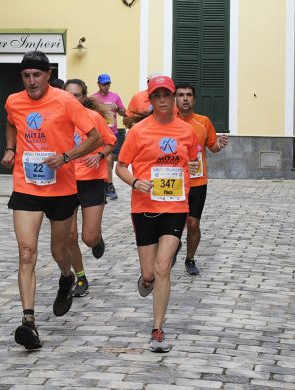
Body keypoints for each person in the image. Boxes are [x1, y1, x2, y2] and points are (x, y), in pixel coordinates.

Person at [1, 51, 101, 350]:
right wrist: (10, 149)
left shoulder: (66, 101)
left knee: (59, 250)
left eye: (36, 75)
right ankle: (28, 322)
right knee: (27, 253)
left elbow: (94, 137)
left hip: (61, 189)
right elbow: (11, 123)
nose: (31, 81)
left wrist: (67, 156)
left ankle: (66, 277)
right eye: (26, 76)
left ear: (48, 74)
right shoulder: (13, 101)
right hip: (26, 187)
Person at [115, 75, 199, 353]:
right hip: (144, 207)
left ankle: (158, 329)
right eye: (157, 95)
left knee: (163, 267)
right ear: (150, 100)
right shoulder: (138, 131)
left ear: (174, 97)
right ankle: (147, 279)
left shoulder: (187, 132)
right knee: (150, 272)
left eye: (167, 94)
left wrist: (191, 189)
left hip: (175, 208)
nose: (162, 99)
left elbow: (194, 164)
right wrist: (135, 182)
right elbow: (121, 166)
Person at [63, 79, 117, 297]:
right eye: (67, 94)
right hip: (65, 181)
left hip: (91, 180)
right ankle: (81, 277)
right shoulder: (58, 119)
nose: (71, 99)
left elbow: (110, 142)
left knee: (88, 237)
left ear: (83, 97)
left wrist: (99, 155)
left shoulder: (93, 117)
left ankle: (97, 238)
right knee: (69, 235)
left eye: (76, 95)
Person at [175, 82, 228, 275]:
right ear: (176, 99)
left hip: (197, 181)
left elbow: (212, 147)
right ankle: (172, 248)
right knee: (174, 223)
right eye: (181, 95)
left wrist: (220, 145)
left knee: (193, 223)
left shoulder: (203, 122)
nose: (185, 98)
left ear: (194, 99)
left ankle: (190, 259)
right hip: (174, 182)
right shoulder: (167, 121)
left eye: (189, 95)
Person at [92, 74, 126, 200]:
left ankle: (107, 183)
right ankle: (108, 185)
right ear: (98, 84)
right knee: (107, 158)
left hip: (113, 133)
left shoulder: (115, 96)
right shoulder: (93, 98)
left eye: (108, 84)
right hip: (99, 133)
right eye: (103, 84)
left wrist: (117, 109)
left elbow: (124, 113)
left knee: (109, 159)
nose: (106, 87)